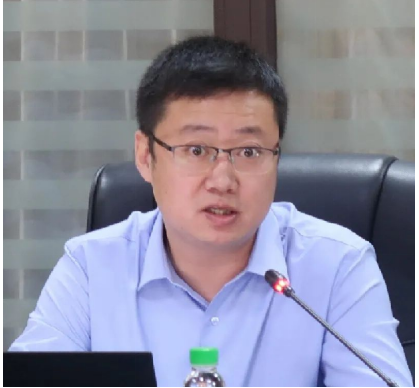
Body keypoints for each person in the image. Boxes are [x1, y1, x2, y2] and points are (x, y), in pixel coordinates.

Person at [10, 36, 412, 387]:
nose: (223, 180)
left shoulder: (337, 265)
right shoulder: (91, 267)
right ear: (145, 156)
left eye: (249, 151)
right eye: (196, 150)